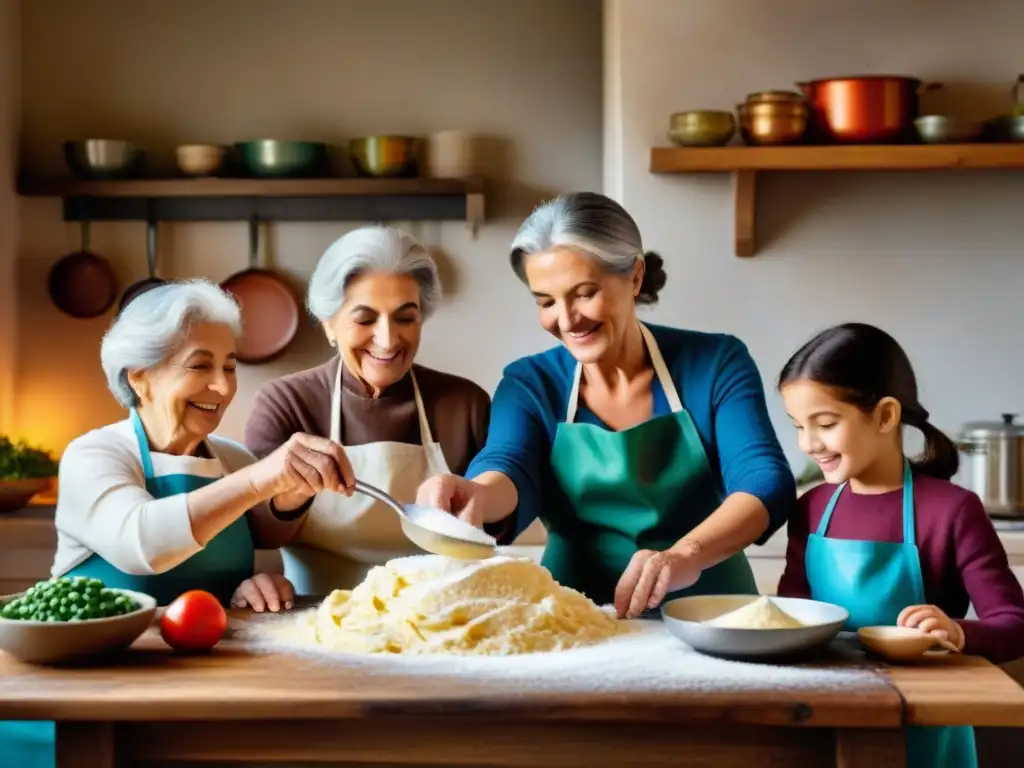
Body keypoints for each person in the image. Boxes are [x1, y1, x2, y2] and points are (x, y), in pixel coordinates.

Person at [3, 279, 355, 768]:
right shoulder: (95, 454)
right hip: (88, 695)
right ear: (140, 376)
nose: (223, 387)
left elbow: (269, 531)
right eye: (200, 366)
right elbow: (143, 541)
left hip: (207, 689)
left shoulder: (229, 457)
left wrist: (278, 519)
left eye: (229, 367)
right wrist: (262, 477)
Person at [416, 192, 795, 618]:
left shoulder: (716, 363)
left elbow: (764, 479)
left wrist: (687, 554)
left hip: (714, 613)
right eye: (545, 302)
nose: (567, 319)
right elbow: (509, 464)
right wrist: (476, 494)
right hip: (576, 618)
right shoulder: (530, 382)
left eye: (584, 293)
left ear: (634, 277)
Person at [776, 322, 1024, 768]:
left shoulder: (952, 511)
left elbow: (1015, 624)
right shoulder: (811, 507)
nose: (808, 444)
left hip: (925, 725)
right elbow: (793, 611)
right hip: (823, 713)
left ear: (886, 416)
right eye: (798, 426)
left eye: (826, 424)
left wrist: (956, 631)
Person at [244, 225, 491, 594]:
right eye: (365, 319)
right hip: (316, 618)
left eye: (405, 317)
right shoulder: (286, 402)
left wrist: (477, 505)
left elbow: (502, 527)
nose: (388, 339)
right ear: (330, 324)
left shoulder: (464, 403)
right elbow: (257, 531)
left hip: (439, 617)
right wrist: (289, 492)